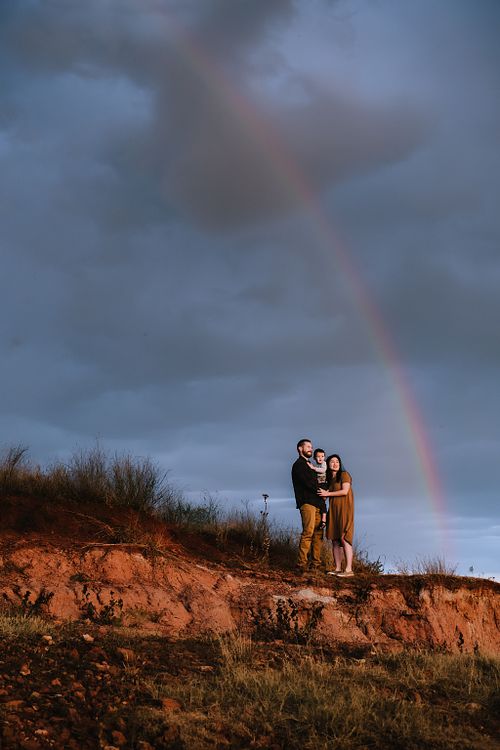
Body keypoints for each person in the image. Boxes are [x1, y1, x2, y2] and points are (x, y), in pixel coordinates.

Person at [318, 454, 354, 577]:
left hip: (345, 510)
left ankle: (348, 570)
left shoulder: (344, 475)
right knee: (335, 540)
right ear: (328, 464)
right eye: (332, 462)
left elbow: (345, 491)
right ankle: (337, 568)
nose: (335, 464)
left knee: (344, 538)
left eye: (337, 461)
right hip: (333, 511)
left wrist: (327, 494)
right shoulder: (330, 480)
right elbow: (325, 495)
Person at [291, 439, 324, 573]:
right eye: (308, 446)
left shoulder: (310, 465)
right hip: (307, 502)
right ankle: (301, 565)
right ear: (300, 448)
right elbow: (308, 483)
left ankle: (316, 565)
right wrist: (322, 491)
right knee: (308, 533)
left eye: (311, 447)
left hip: (317, 503)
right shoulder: (299, 465)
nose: (311, 449)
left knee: (318, 535)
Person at [307, 448, 327, 530]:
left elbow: (323, 470)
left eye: (322, 456)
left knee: (322, 501)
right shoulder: (314, 465)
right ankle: (323, 521)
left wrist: (313, 468)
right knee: (321, 502)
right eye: (318, 456)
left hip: (324, 484)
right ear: (314, 458)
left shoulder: (324, 464)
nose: (320, 458)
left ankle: (324, 519)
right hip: (318, 484)